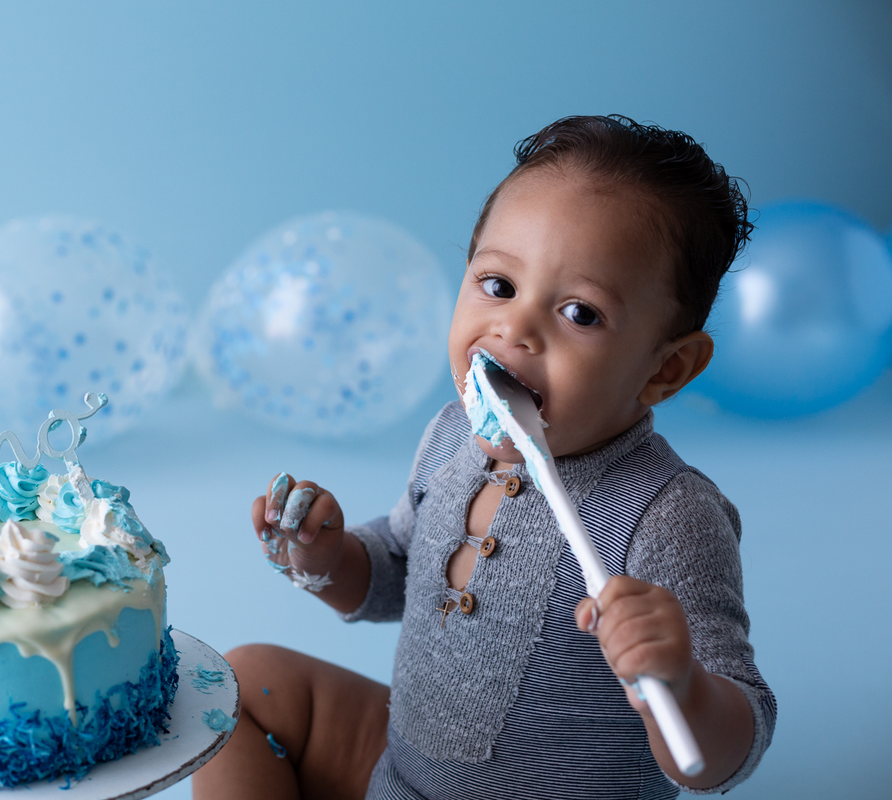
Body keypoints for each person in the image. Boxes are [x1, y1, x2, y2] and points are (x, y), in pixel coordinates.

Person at [192, 115, 776, 800]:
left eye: (580, 313)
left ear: (666, 370)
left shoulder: (667, 516)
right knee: (244, 686)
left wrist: (681, 687)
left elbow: (722, 754)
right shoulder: (451, 437)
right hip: (401, 775)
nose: (514, 328)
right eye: (498, 285)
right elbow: (397, 575)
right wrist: (328, 558)